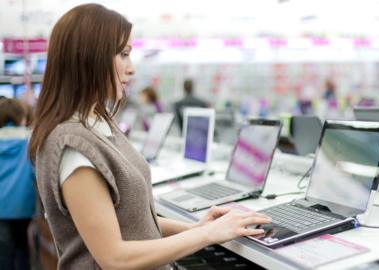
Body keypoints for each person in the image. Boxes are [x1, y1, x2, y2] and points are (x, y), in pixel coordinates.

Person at [28, 4, 270, 269]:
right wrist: (208, 234)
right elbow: (114, 258)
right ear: (89, 57)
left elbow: (134, 222)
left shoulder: (96, 125)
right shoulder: (74, 146)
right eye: (124, 54)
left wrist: (196, 227)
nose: (131, 69)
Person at [0, 98, 36, 270]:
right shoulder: (30, 141)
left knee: (4, 253)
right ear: (22, 118)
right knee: (22, 248)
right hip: (24, 206)